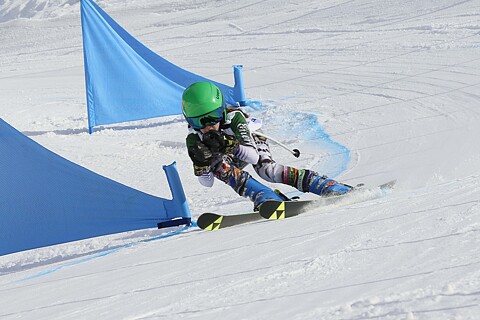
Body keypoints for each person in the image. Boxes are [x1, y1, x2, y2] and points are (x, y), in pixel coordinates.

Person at [182, 81, 352, 209]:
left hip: (249, 142)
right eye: (198, 121)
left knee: (267, 170)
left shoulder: (234, 119)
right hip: (229, 154)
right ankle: (265, 195)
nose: (207, 126)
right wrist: (201, 164)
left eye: (212, 117)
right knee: (220, 166)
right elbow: (207, 183)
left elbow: (253, 157)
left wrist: (230, 144)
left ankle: (325, 185)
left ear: (222, 111)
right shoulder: (194, 138)